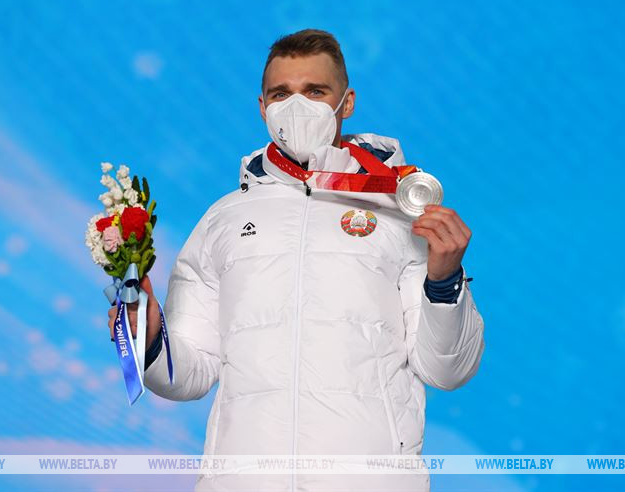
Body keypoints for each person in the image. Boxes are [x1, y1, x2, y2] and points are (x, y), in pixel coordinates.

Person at [108, 28, 485, 491]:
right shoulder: (223, 220)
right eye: (281, 94)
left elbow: (447, 370)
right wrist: (147, 340)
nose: (297, 106)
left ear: (346, 102)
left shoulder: (398, 214)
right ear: (263, 107)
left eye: (315, 91)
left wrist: (444, 283)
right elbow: (190, 374)